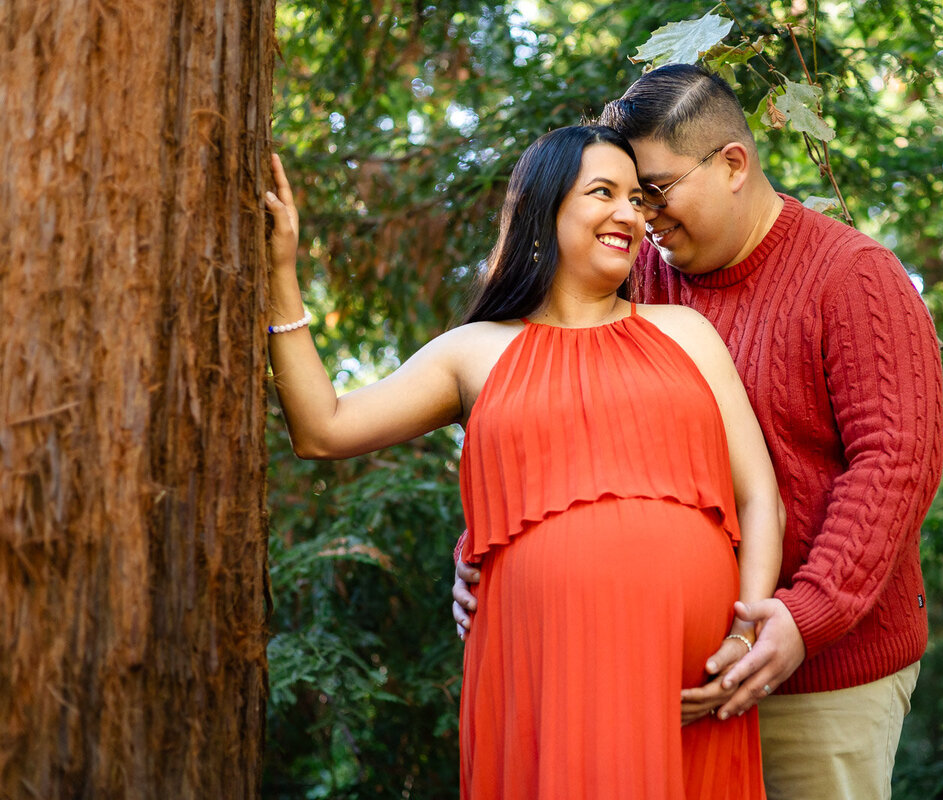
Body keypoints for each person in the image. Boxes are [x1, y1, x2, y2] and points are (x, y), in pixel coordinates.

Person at [454, 67, 943, 799]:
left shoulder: (853, 276)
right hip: (662, 684)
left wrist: (804, 617)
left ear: (733, 164)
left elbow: (895, 465)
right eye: (623, 193)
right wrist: (484, 549)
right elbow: (563, 416)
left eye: (654, 188)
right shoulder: (636, 277)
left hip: (818, 679)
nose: (641, 213)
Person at [265, 124, 783, 799]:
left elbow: (759, 500)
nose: (629, 213)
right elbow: (323, 429)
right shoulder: (474, 351)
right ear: (545, 208)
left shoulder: (686, 334)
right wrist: (280, 276)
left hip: (692, 688)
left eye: (637, 198)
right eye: (604, 192)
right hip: (545, 666)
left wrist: (745, 642)